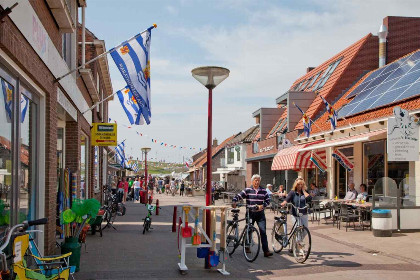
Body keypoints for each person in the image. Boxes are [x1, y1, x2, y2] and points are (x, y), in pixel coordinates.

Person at [232, 174, 273, 257]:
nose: (257, 182)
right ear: (252, 181)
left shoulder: (263, 191)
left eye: (258, 180)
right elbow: (239, 196)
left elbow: (268, 200)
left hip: (260, 214)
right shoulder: (248, 190)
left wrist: (263, 205)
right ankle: (247, 246)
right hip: (250, 213)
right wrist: (234, 201)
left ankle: (266, 251)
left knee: (263, 231)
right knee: (249, 230)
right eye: (255, 180)